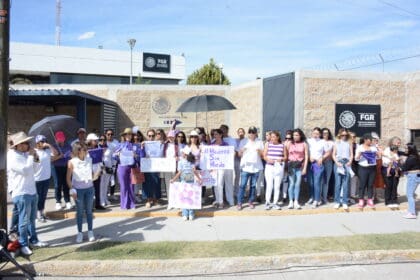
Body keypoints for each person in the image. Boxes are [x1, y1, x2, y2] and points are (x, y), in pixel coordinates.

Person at [7, 132, 48, 255]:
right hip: (21, 191)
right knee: (24, 221)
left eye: (28, 142)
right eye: (25, 143)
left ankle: (34, 240)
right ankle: (24, 244)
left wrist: (35, 156)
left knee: (32, 219)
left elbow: (34, 170)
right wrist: (31, 156)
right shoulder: (12, 156)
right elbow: (24, 170)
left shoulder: (25, 155)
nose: (28, 145)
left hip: (31, 190)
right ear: (18, 145)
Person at [66, 142, 99, 243]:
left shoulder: (90, 160)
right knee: (79, 212)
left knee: (89, 211)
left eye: (85, 149)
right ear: (78, 151)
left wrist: (96, 175)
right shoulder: (71, 162)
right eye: (83, 149)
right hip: (78, 190)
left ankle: (90, 231)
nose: (85, 151)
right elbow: (68, 178)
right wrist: (72, 190)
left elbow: (93, 174)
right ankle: (80, 232)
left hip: (89, 188)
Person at [114, 128, 144, 210]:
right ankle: (124, 204)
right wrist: (117, 155)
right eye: (126, 134)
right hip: (122, 167)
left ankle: (131, 204)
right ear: (124, 136)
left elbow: (139, 158)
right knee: (123, 186)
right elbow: (114, 156)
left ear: (132, 136)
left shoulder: (135, 146)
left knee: (131, 186)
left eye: (130, 134)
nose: (128, 136)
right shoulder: (120, 145)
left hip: (132, 167)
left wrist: (136, 156)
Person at [170, 146, 202, 221]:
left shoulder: (181, 162)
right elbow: (194, 171)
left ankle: (185, 214)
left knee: (184, 197)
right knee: (191, 197)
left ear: (185, 154)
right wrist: (199, 179)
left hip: (183, 181)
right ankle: (191, 214)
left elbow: (179, 172)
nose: (181, 153)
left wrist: (173, 179)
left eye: (183, 152)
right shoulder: (192, 162)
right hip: (191, 181)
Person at [237, 126, 264, 210]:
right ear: (248, 133)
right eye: (250, 132)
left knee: (253, 186)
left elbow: (262, 155)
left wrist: (259, 151)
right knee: (242, 185)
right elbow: (239, 154)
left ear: (256, 133)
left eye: (253, 132)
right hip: (245, 167)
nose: (251, 134)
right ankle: (239, 202)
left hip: (255, 167)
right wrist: (241, 151)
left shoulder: (259, 142)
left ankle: (251, 201)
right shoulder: (244, 141)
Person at [34, 135, 59, 222]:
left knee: (43, 197)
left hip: (46, 178)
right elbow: (36, 163)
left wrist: (49, 145)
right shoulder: (35, 152)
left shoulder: (47, 151)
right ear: (37, 143)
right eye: (41, 141)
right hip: (37, 178)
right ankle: (37, 214)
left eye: (44, 141)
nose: (43, 143)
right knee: (38, 197)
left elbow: (56, 154)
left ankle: (41, 212)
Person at [355, 133, 381, 208]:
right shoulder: (360, 147)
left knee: (370, 184)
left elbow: (378, 158)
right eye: (370, 140)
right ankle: (361, 200)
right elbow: (356, 159)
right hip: (362, 168)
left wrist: (378, 154)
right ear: (365, 140)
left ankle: (370, 199)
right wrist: (360, 154)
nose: (372, 141)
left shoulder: (373, 148)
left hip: (372, 168)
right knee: (362, 185)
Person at [284, 128, 308, 209]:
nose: (295, 136)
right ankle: (291, 201)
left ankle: (296, 201)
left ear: (300, 135)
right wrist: (286, 167)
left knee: (297, 184)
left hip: (299, 166)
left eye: (297, 135)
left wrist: (304, 168)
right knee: (291, 184)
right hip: (291, 165)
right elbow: (286, 155)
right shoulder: (289, 144)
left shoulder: (304, 144)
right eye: (294, 135)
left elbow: (306, 156)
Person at [307, 127, 330, 208]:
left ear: (320, 134)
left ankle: (317, 200)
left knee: (317, 182)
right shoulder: (309, 141)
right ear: (312, 133)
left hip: (318, 164)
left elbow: (328, 152)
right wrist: (309, 156)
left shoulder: (323, 142)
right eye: (314, 133)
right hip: (310, 163)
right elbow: (306, 151)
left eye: (317, 133)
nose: (315, 135)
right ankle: (312, 197)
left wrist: (322, 158)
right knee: (311, 182)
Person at [212, 128, 234, 208]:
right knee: (215, 184)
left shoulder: (225, 145)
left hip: (222, 167)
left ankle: (221, 202)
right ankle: (217, 200)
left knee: (220, 183)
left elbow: (228, 156)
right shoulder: (212, 144)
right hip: (214, 167)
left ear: (221, 135)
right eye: (214, 134)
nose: (215, 136)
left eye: (216, 134)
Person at [263, 131, 285, 210]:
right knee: (269, 185)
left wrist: (281, 159)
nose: (271, 138)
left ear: (277, 137)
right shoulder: (267, 144)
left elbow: (286, 157)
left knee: (277, 186)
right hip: (269, 167)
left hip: (278, 167)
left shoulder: (282, 145)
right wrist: (268, 159)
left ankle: (275, 203)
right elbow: (264, 155)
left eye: (273, 137)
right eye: (271, 137)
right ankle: (267, 202)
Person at [332, 129, 353, 210]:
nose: (344, 136)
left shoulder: (349, 143)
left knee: (345, 183)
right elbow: (333, 154)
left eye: (345, 135)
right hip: (338, 163)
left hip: (347, 163)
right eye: (342, 135)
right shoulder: (336, 143)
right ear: (339, 135)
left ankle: (345, 202)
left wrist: (350, 161)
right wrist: (337, 162)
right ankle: (337, 201)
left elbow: (351, 154)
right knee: (338, 183)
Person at [52, 131, 73, 210]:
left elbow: (72, 155)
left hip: (66, 166)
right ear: (56, 139)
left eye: (62, 139)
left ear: (64, 139)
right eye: (59, 139)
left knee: (66, 184)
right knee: (58, 184)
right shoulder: (54, 146)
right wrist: (59, 156)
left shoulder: (68, 146)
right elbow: (51, 159)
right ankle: (58, 202)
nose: (60, 141)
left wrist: (69, 155)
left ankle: (67, 201)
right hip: (56, 167)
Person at [143, 129, 163, 208]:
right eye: (149, 136)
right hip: (147, 165)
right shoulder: (144, 144)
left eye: (153, 136)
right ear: (147, 136)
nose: (151, 137)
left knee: (156, 182)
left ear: (155, 136)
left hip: (156, 165)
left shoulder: (158, 144)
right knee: (147, 183)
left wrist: (161, 145)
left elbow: (160, 155)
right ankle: (148, 200)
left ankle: (156, 200)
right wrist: (142, 147)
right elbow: (141, 154)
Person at [382, 137, 402, 208]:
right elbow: (384, 161)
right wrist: (391, 160)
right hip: (388, 169)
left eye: (400, 143)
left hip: (396, 170)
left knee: (394, 185)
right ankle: (388, 201)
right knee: (389, 185)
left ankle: (394, 200)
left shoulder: (397, 150)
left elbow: (399, 160)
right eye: (398, 143)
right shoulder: (387, 150)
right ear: (393, 143)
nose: (399, 144)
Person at [86, 133, 105, 210]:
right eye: (95, 140)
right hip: (89, 171)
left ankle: (98, 204)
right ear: (90, 141)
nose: (96, 142)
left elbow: (101, 160)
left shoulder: (99, 148)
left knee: (97, 188)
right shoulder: (85, 149)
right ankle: (89, 206)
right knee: (90, 190)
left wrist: (101, 169)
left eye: (97, 140)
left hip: (97, 170)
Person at [401, 143, 420, 219]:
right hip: (416, 175)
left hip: (413, 176)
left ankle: (412, 213)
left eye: (406, 148)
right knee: (410, 194)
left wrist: (401, 163)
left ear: (410, 149)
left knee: (409, 194)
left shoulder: (411, 158)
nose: (405, 150)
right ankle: (410, 210)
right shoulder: (416, 156)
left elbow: (404, 168)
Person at [321, 128, 335, 204]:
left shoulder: (332, 142)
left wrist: (327, 154)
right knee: (319, 181)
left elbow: (331, 153)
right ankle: (318, 198)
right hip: (319, 163)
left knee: (326, 181)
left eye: (326, 133)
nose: (325, 134)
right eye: (323, 133)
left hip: (328, 163)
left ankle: (325, 198)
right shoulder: (319, 142)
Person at [104, 129, 119, 201]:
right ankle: (105, 194)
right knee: (105, 180)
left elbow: (118, 153)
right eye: (108, 134)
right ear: (106, 135)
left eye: (111, 134)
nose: (110, 136)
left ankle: (112, 194)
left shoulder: (116, 142)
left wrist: (114, 164)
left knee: (113, 179)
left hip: (114, 164)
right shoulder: (104, 142)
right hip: (105, 164)